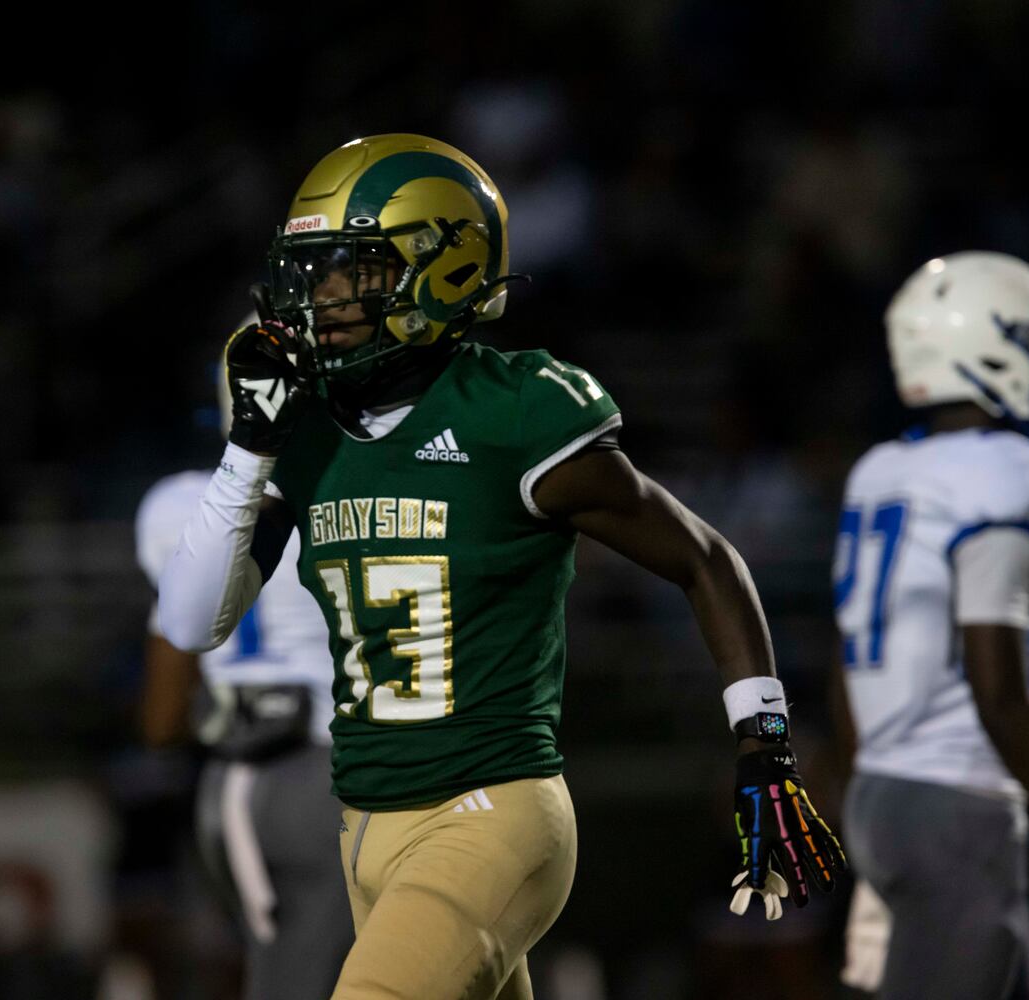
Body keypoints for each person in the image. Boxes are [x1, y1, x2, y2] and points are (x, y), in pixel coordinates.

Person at [158, 133, 845, 1000]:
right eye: (312, 272)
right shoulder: (303, 428)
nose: (321, 299)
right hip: (361, 825)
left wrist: (765, 744)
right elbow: (189, 623)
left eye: (351, 272)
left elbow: (705, 560)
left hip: (490, 812)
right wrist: (247, 447)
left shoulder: (512, 414)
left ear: (440, 271)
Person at [830, 252, 1029, 998]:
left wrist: (873, 848)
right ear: (984, 348)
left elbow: (852, 671)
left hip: (884, 797)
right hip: (955, 811)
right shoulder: (1003, 471)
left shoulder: (880, 471)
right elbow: (996, 687)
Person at [133, 360, 354, 1000]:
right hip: (345, 764)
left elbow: (161, 716)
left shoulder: (175, 507)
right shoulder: (356, 487)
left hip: (237, 776)